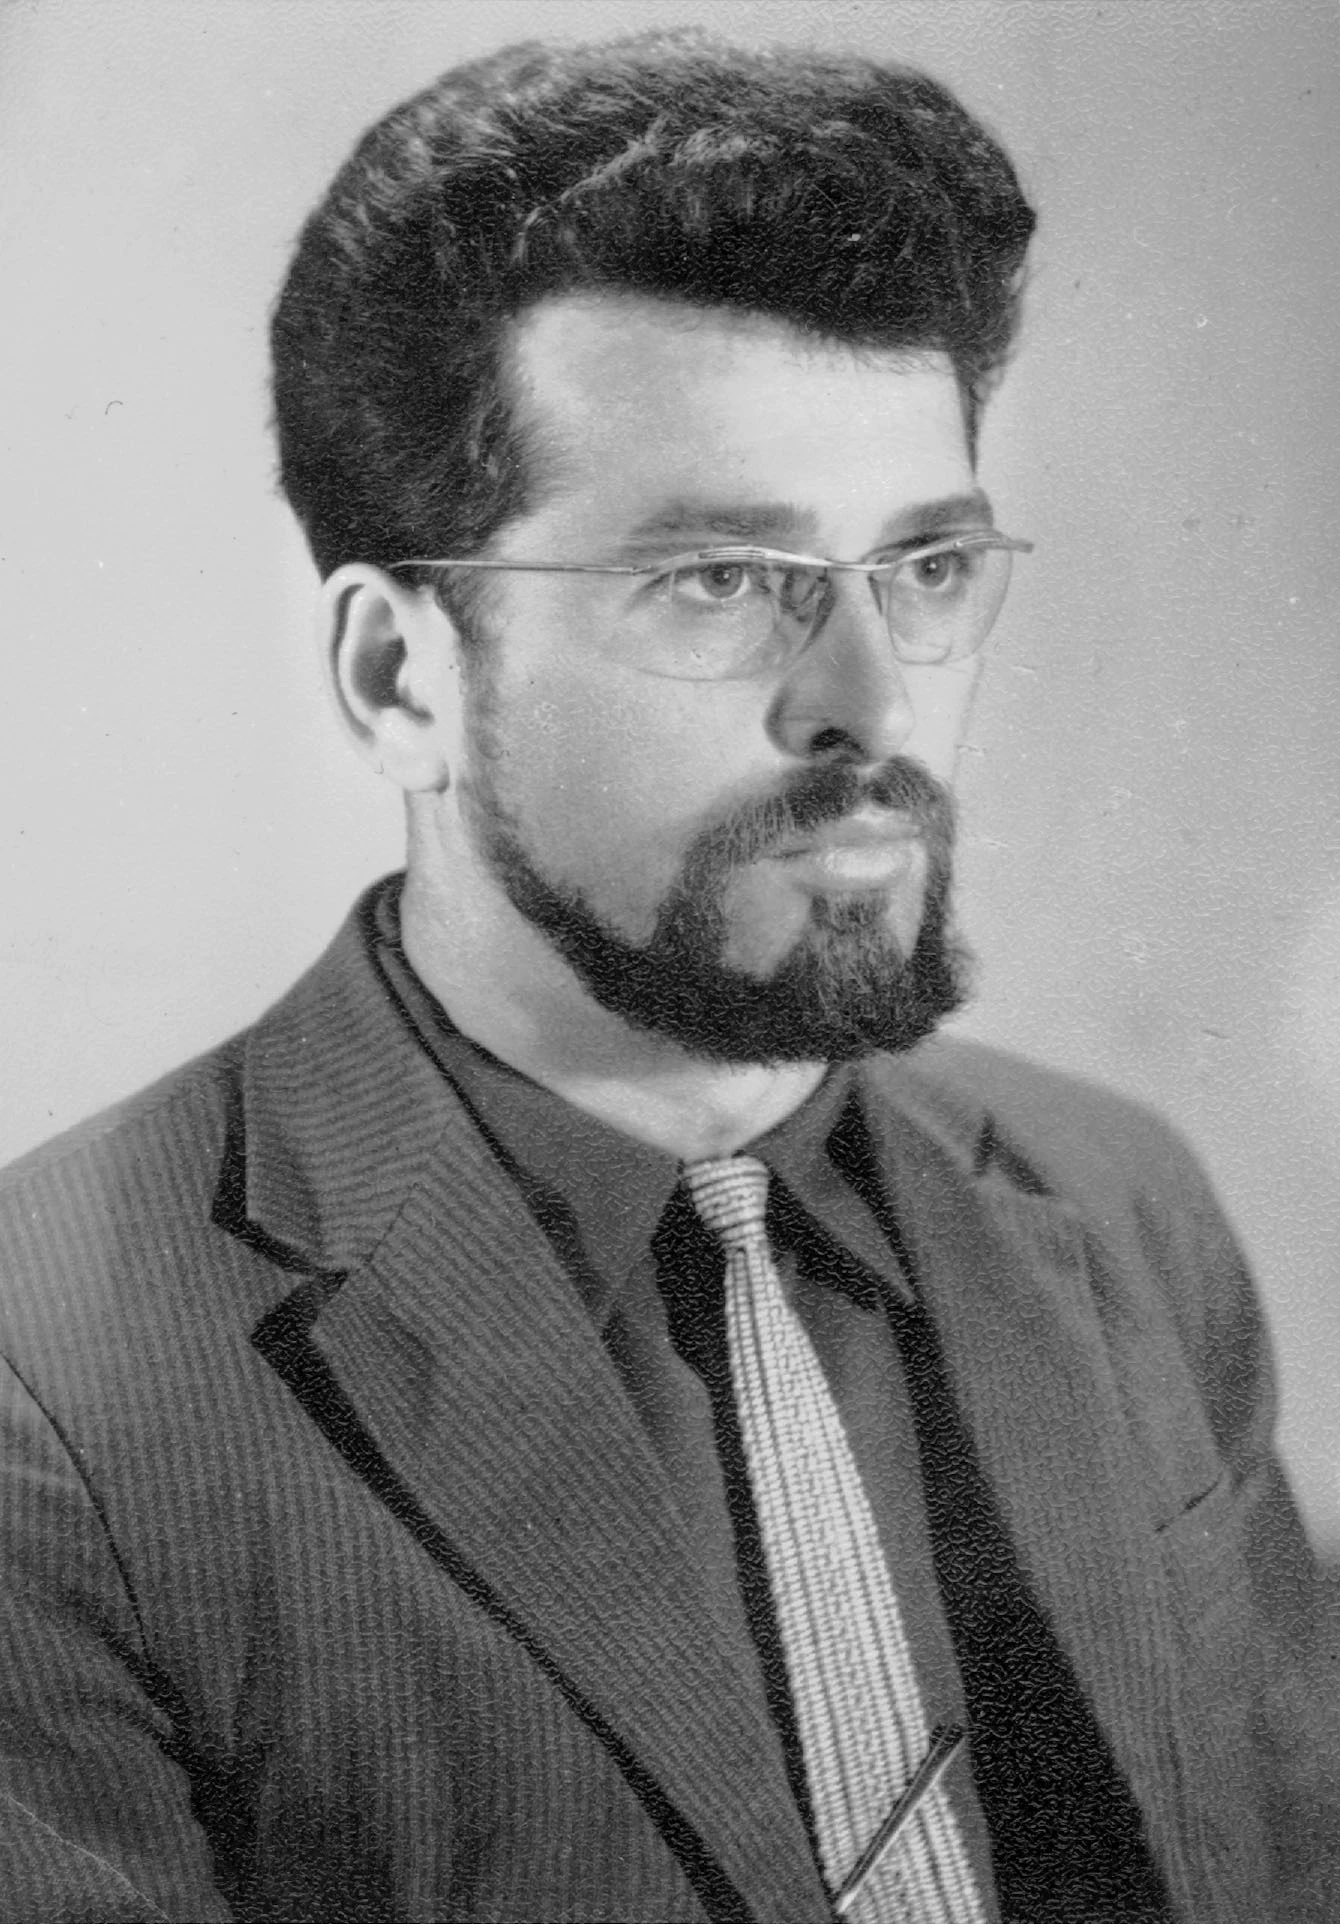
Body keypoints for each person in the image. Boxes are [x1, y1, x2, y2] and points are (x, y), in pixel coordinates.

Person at [0, 27, 1334, 1924]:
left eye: (926, 569)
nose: (874, 707)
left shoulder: (1121, 1202)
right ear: (398, 677)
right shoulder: (47, 1390)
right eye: (721, 580)